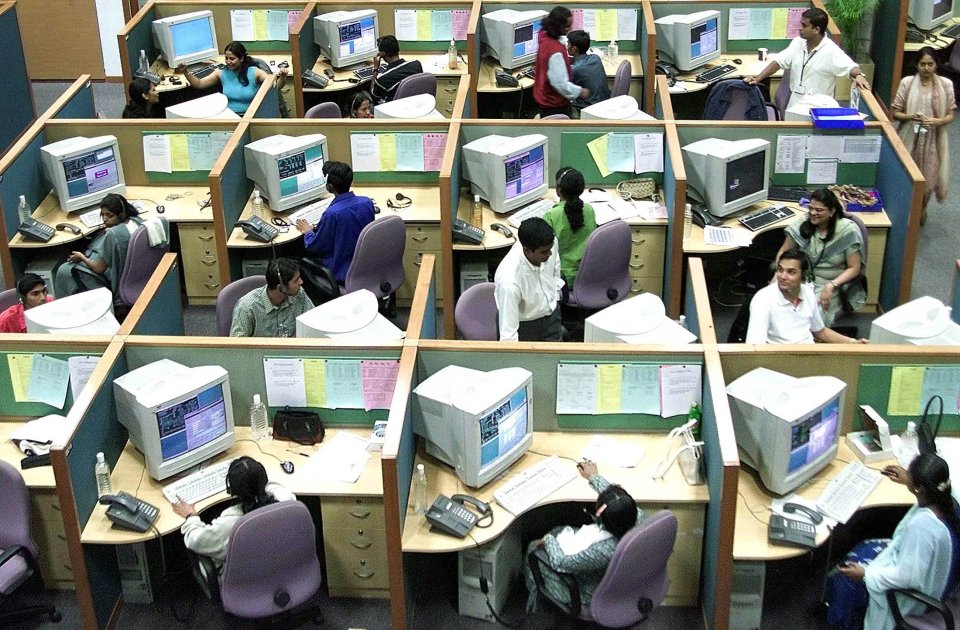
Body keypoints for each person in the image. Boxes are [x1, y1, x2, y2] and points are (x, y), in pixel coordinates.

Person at [825, 453, 960, 630]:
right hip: (935, 578)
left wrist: (865, 575)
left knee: (843, 580)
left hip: (913, 594)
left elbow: (907, 577)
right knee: (863, 548)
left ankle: (844, 623)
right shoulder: (949, 500)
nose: (906, 475)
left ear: (919, 488)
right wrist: (909, 481)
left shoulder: (922, 528)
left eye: (909, 475)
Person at [523, 459, 642, 612]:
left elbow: (561, 562)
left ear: (602, 521)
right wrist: (594, 476)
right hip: (618, 578)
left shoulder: (602, 550)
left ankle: (534, 601)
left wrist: (548, 540)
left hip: (588, 591)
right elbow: (616, 501)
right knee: (559, 529)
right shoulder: (634, 515)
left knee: (533, 548)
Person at [172, 457, 296, 574]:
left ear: (233, 490)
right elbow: (272, 486)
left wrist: (190, 516)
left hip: (243, 582)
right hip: (281, 567)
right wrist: (256, 481)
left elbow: (195, 540)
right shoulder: (287, 500)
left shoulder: (230, 526)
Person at [744, 8, 870, 112]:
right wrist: (758, 78)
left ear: (816, 29)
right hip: (794, 105)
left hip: (818, 109)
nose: (799, 28)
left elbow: (850, 67)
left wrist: (858, 75)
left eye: (804, 25)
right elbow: (779, 62)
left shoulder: (831, 50)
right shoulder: (798, 43)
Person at [776, 187, 866, 325]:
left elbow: (854, 267)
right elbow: (783, 251)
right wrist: (778, 275)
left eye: (819, 210)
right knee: (777, 309)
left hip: (830, 283)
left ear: (832, 211)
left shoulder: (847, 230)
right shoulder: (804, 223)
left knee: (810, 316)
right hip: (802, 279)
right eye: (810, 208)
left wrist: (831, 286)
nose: (812, 213)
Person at [890, 46, 956, 226]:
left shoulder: (946, 85)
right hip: (909, 137)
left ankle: (922, 207)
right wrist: (912, 117)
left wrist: (936, 121)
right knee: (905, 175)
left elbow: (951, 115)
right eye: (922, 64)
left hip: (934, 139)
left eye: (930, 64)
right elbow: (895, 113)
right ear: (916, 65)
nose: (926, 68)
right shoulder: (907, 83)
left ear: (936, 65)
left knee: (929, 177)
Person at [746, 249, 868, 344]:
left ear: (803, 276)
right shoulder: (763, 300)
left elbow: (820, 331)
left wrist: (853, 342)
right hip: (780, 358)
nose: (783, 276)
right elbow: (755, 347)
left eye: (791, 272)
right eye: (780, 270)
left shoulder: (808, 293)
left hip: (808, 354)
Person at [296, 161, 376, 284]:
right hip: (365, 265)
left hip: (342, 270)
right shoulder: (367, 203)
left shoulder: (332, 214)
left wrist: (308, 232)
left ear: (330, 187)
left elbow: (315, 246)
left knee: (295, 253)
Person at [54, 193, 143, 297]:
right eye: (103, 214)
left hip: (111, 280)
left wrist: (82, 258)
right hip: (135, 276)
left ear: (121, 215)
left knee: (64, 270)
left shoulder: (112, 234)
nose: (105, 219)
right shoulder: (137, 221)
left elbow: (99, 269)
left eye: (110, 215)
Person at [493, 217, 564, 342]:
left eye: (550, 249)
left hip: (552, 314)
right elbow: (508, 337)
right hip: (525, 325)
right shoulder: (509, 281)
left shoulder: (549, 244)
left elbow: (555, 269)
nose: (549, 254)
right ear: (527, 250)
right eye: (544, 252)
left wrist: (555, 297)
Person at [177, 42, 286, 115]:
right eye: (226, 58)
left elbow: (275, 86)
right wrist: (186, 72)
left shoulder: (254, 72)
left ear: (241, 58)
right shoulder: (221, 73)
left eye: (232, 59)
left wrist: (283, 77)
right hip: (230, 117)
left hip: (251, 118)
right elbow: (199, 84)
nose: (228, 62)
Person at [229, 258, 313, 338]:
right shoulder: (247, 308)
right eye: (296, 280)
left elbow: (314, 322)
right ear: (281, 288)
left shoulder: (299, 294)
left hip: (294, 351)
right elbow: (237, 346)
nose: (301, 282)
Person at [542, 167, 596, 288]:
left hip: (562, 278)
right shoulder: (589, 210)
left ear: (559, 190)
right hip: (586, 274)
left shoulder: (551, 216)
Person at [533, 6, 589, 118]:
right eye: (567, 26)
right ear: (558, 26)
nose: (570, 28)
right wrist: (580, 91)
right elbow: (561, 84)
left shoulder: (544, 34)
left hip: (543, 97)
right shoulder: (555, 53)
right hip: (554, 105)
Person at [370, 35, 423, 103]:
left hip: (396, 109)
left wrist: (376, 68)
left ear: (382, 54)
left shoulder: (383, 79)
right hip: (416, 104)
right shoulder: (416, 65)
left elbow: (373, 94)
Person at [567, 30, 609, 111]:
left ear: (574, 48)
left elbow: (564, 87)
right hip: (604, 104)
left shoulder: (575, 70)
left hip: (588, 109)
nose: (566, 46)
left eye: (568, 44)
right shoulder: (596, 58)